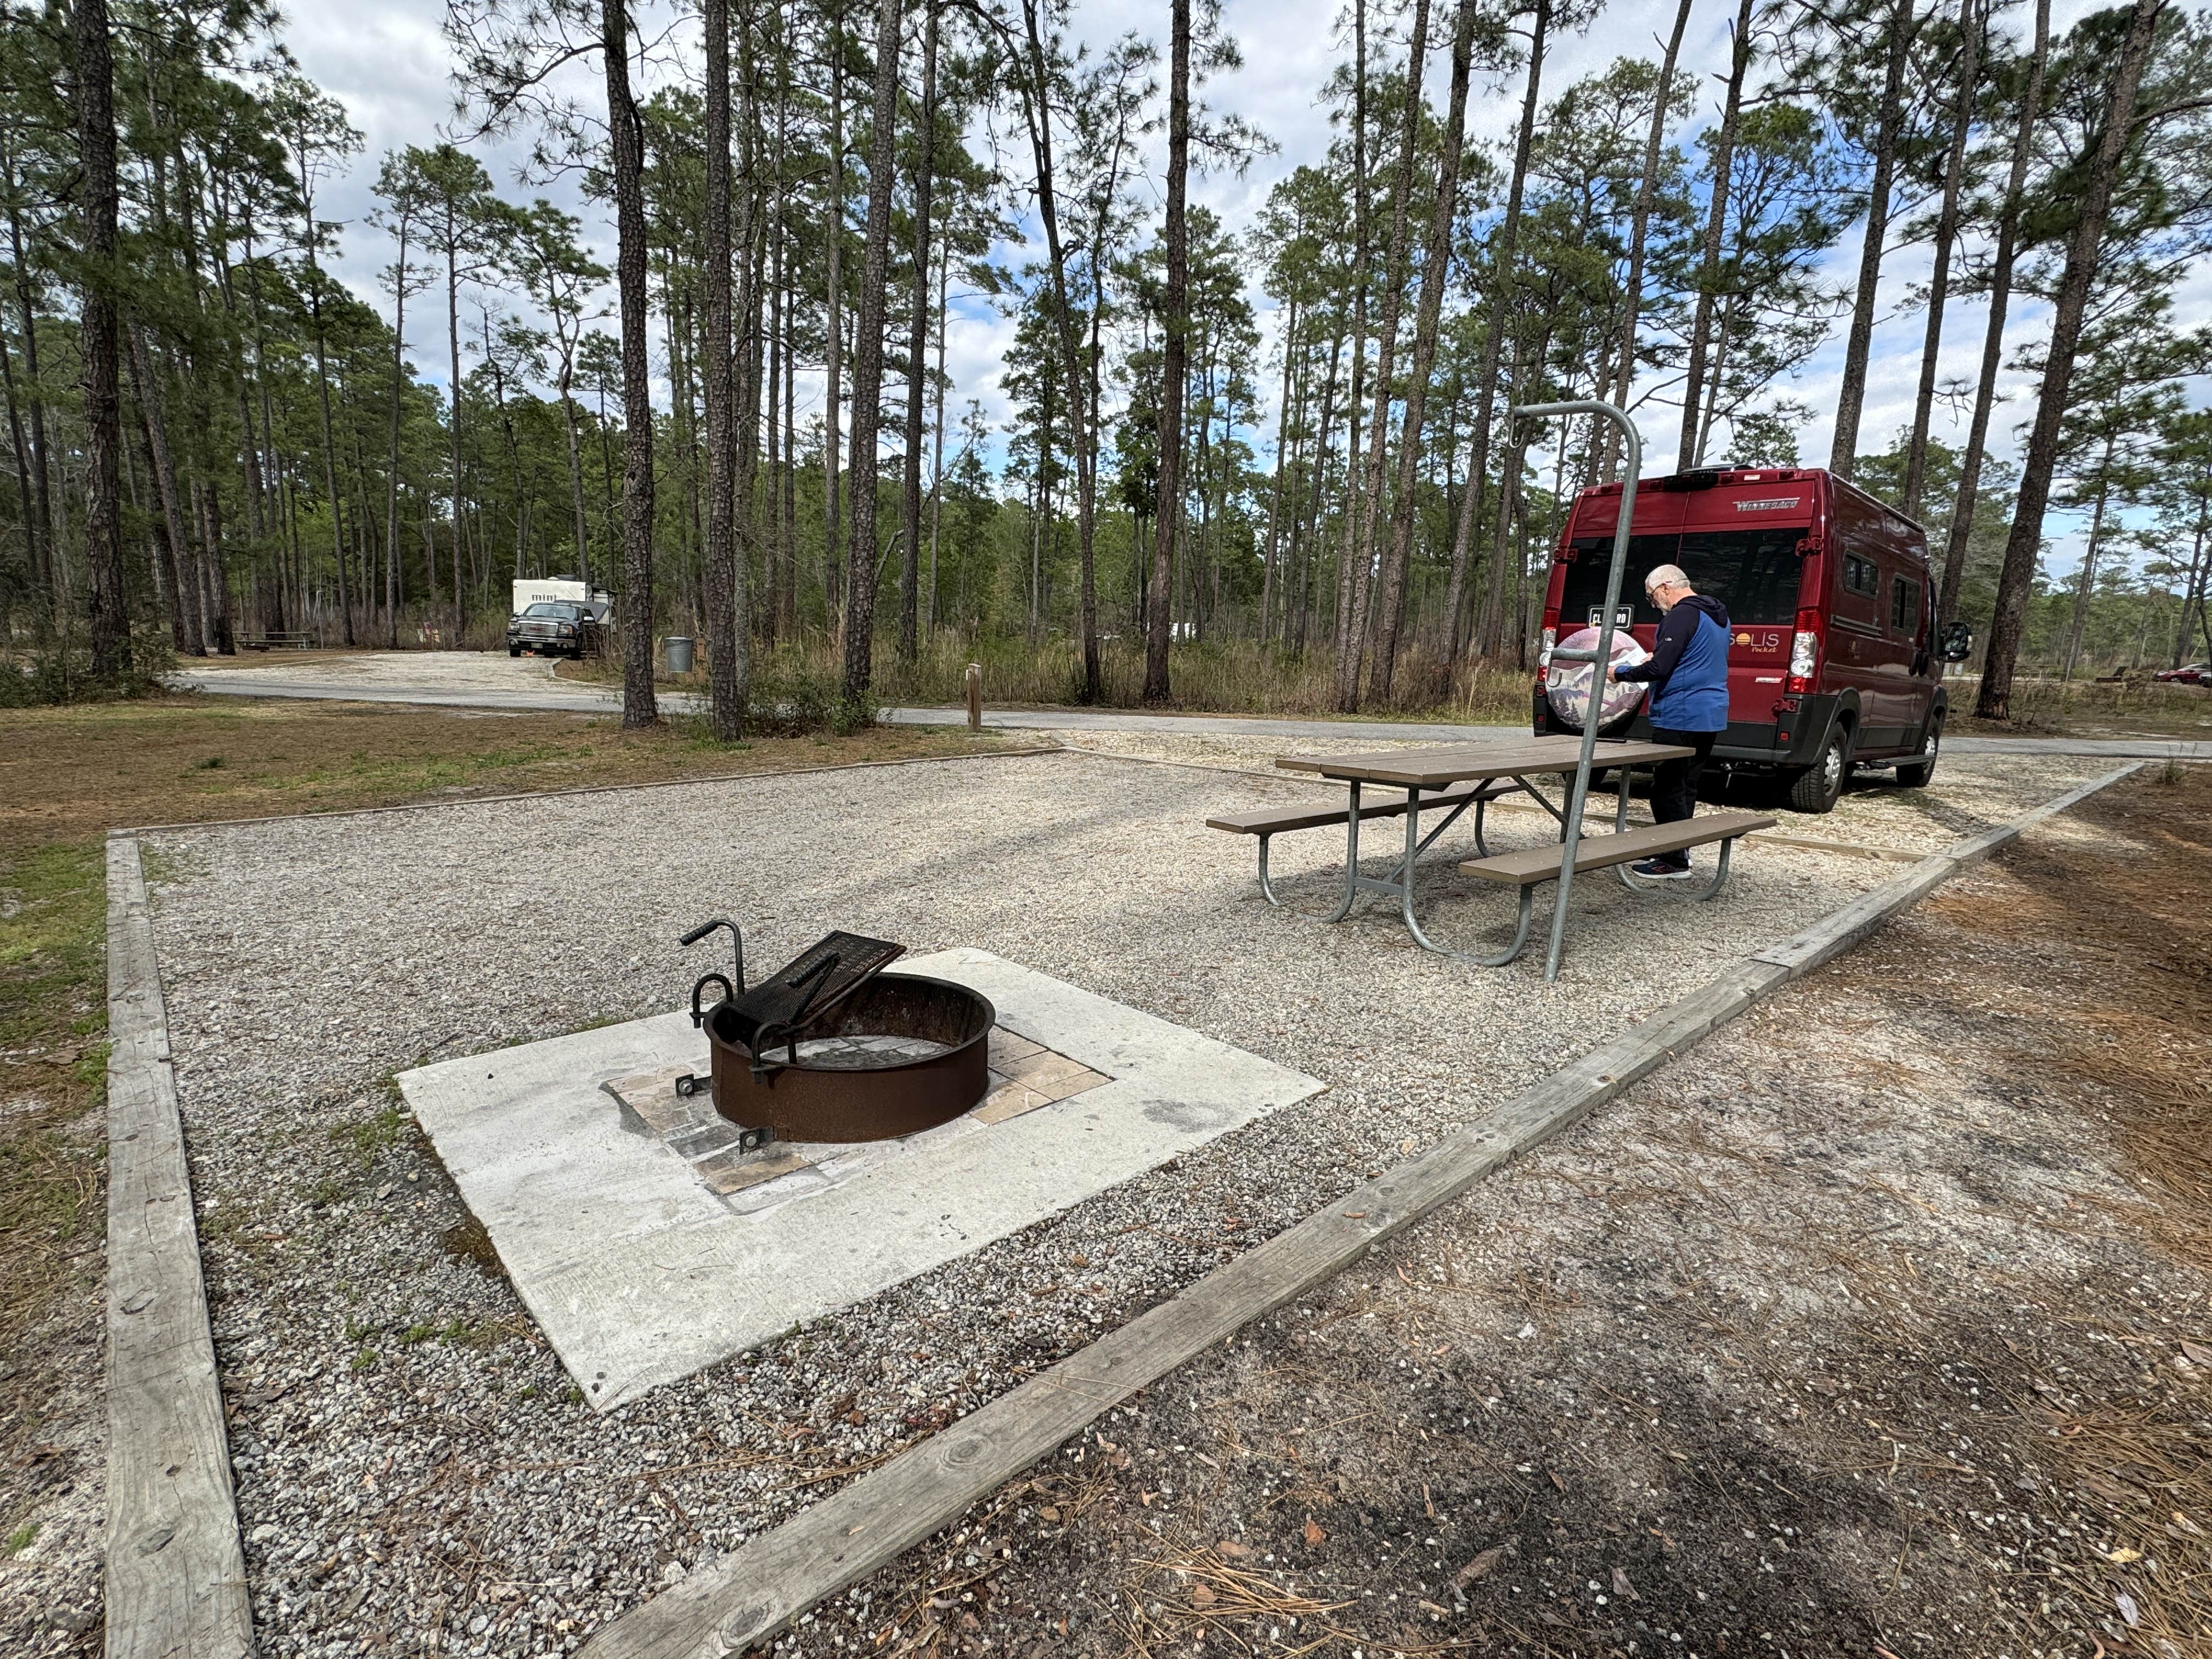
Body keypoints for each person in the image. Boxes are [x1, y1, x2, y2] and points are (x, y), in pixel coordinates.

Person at [1605, 563, 1730, 879]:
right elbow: (1688, 657)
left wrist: (1619, 673)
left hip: (1681, 712)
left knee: (1667, 788)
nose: (1654, 605)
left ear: (1665, 588)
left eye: (1651, 597)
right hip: (1710, 712)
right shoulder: (1718, 615)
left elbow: (1660, 669)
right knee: (1687, 786)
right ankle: (1681, 853)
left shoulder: (1681, 615)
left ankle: (1672, 861)